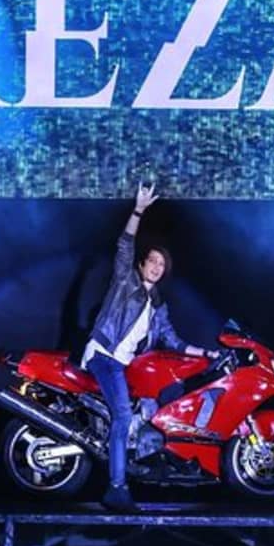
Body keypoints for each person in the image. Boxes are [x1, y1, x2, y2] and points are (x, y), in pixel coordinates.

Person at [82, 183, 219, 512]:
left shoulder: (158, 306)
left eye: (162, 264)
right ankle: (116, 489)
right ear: (142, 265)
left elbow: (173, 340)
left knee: (154, 400)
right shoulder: (125, 282)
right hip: (104, 355)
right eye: (153, 261)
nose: (157, 267)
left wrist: (207, 354)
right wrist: (138, 210)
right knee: (122, 414)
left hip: (124, 363)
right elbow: (124, 245)